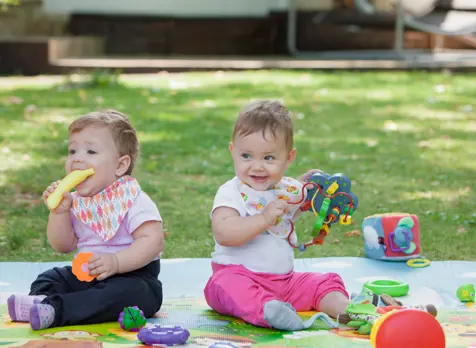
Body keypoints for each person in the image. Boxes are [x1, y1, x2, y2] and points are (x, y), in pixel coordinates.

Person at [203, 100, 355, 331]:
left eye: (269, 158)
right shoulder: (231, 191)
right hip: (239, 276)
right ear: (233, 151)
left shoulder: (286, 189)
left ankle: (350, 310)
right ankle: (269, 311)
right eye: (246, 156)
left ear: (288, 158)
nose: (257, 167)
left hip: (285, 283)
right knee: (224, 286)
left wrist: (313, 188)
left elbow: (303, 199)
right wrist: (263, 219)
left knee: (325, 281)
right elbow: (224, 233)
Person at [7, 110, 164, 330]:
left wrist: (116, 262)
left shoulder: (133, 199)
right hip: (86, 275)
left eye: (91, 151)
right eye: (72, 151)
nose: (78, 158)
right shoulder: (78, 201)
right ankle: (43, 302)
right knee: (49, 278)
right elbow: (63, 246)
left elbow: (153, 241)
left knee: (128, 294)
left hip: (133, 277)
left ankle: (56, 310)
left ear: (120, 165)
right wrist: (59, 213)